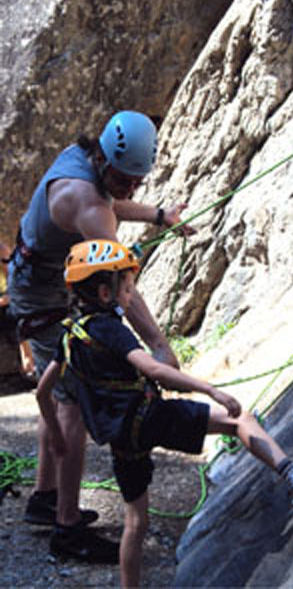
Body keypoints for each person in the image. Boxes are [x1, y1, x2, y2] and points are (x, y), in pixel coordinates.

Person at [36, 239, 293, 587]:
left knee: (135, 523)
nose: (130, 295)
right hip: (150, 418)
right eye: (127, 288)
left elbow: (43, 391)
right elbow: (152, 369)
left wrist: (56, 435)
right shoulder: (112, 329)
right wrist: (209, 389)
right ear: (104, 293)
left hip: (122, 440)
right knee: (238, 420)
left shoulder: (69, 336)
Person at [6, 111, 192, 562]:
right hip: (41, 294)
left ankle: (45, 498)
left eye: (138, 182)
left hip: (42, 281)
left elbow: (109, 203)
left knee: (64, 391)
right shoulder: (84, 199)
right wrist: (159, 346)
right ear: (106, 161)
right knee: (73, 400)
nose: (131, 189)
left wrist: (158, 215)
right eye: (125, 179)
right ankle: (66, 528)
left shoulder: (86, 163)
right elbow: (124, 288)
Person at [0, 240, 35, 380]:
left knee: (20, 310)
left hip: (6, 302)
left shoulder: (1, 250)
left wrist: (9, 297)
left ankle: (28, 362)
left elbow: (14, 279)